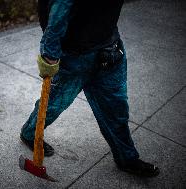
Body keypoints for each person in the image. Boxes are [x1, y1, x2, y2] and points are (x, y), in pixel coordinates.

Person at [20, 0, 159, 177]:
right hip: (74, 58)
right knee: (53, 104)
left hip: (110, 49)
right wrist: (50, 53)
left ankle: (127, 158)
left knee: (116, 112)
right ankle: (29, 133)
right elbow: (59, 8)